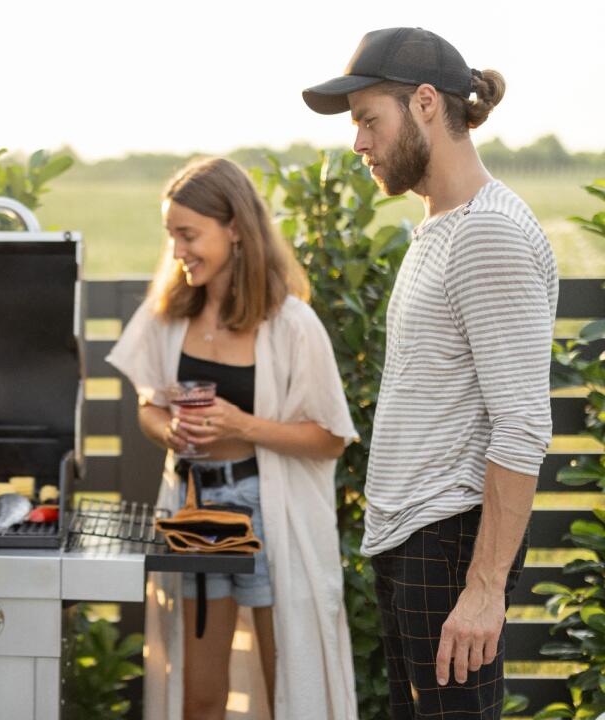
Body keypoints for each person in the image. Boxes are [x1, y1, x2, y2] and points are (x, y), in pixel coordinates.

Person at [302, 27, 558, 719]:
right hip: (415, 544)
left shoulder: (487, 233)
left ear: (422, 104)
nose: (357, 143)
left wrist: (483, 589)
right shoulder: (441, 227)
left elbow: (524, 421)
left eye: (366, 120)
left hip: (449, 543)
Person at [106, 157, 359, 719]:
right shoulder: (167, 314)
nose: (177, 251)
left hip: (269, 515)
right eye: (172, 235)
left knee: (285, 687)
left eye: (189, 235)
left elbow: (330, 438)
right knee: (198, 695)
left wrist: (242, 425)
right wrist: (169, 430)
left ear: (236, 228)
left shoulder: (291, 324)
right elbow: (149, 404)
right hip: (195, 514)